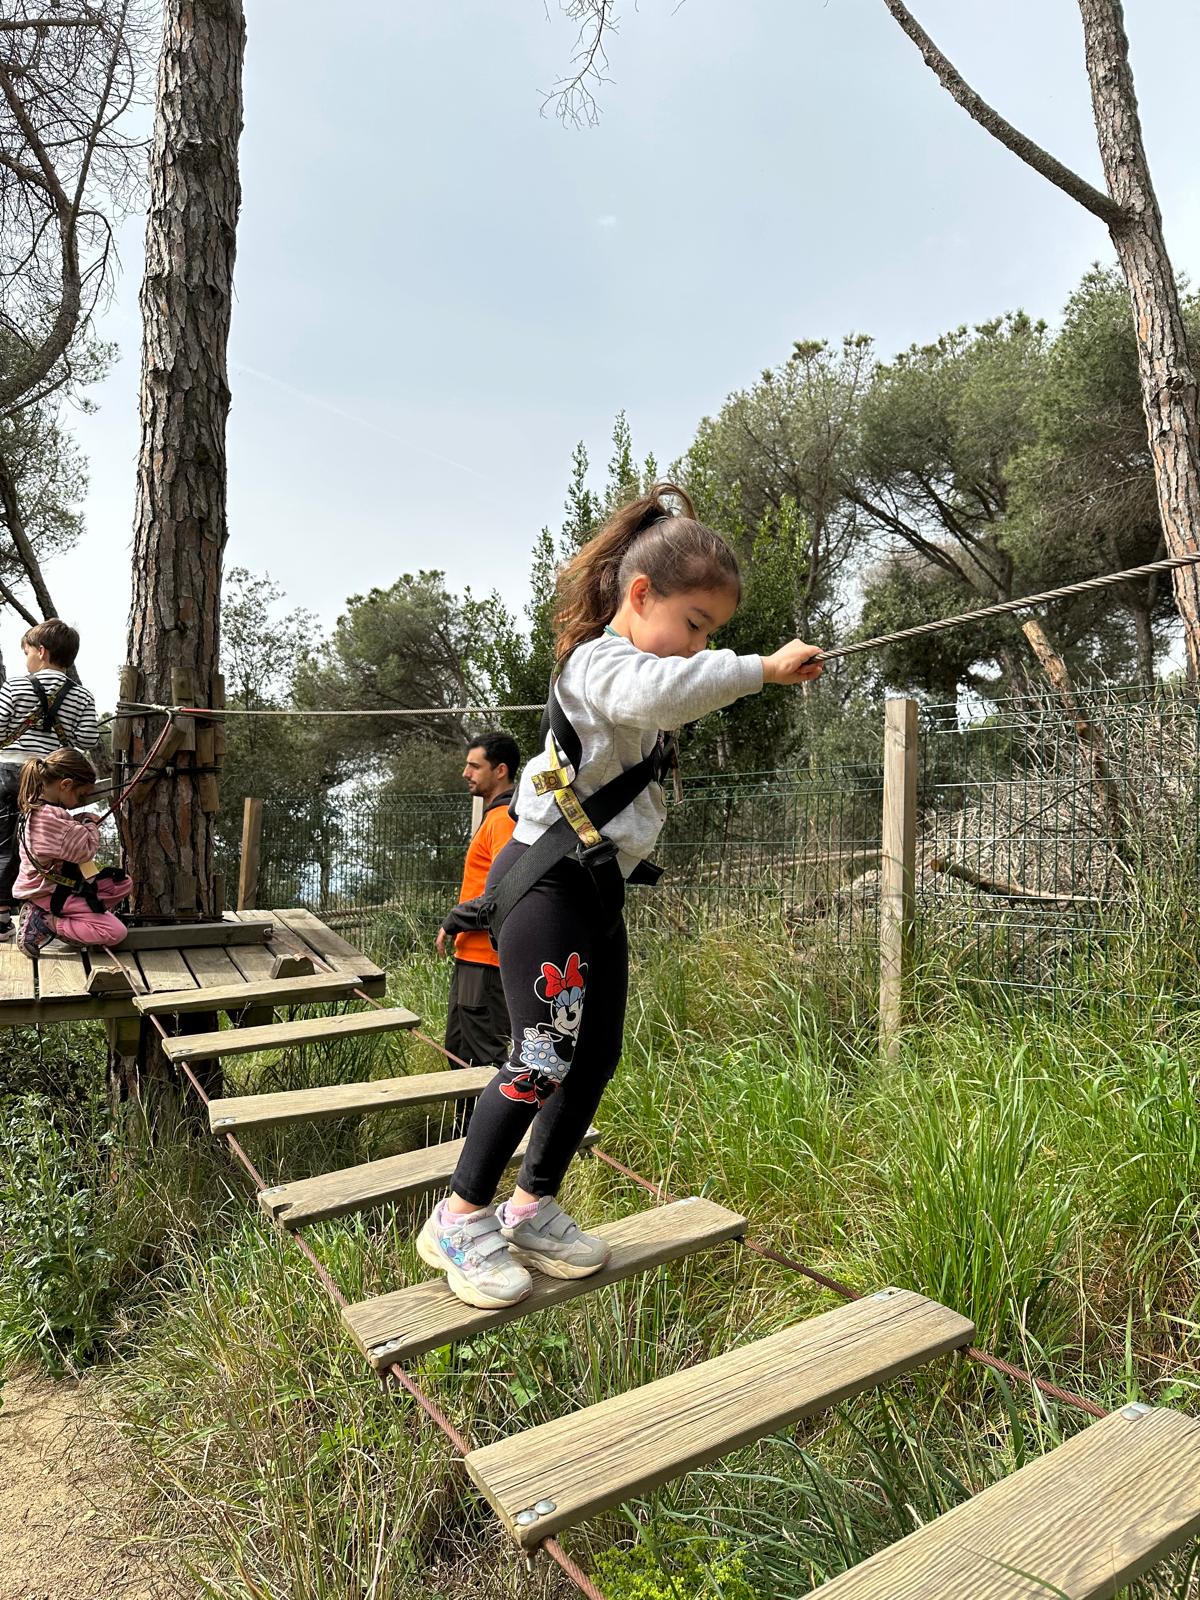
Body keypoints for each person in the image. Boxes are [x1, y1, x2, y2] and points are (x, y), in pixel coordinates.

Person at [415, 483, 823, 1309]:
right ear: (639, 595)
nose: (700, 646)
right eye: (695, 625)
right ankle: (458, 1217)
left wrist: (730, 666)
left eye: (713, 634)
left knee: (594, 1055)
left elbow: (665, 698)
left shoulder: (641, 669)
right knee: (539, 1056)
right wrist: (760, 669)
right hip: (548, 883)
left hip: (595, 889)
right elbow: (662, 692)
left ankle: (531, 1206)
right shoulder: (599, 664)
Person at [436, 732, 521, 1129]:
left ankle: (500, 1143)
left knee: (484, 1060)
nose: (465, 772)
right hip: (472, 958)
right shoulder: (495, 816)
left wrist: (456, 918)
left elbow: (507, 889)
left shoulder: (504, 820)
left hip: (486, 963)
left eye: (475, 765)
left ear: (500, 770)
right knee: (459, 1053)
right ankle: (464, 1140)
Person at [0, 620, 100, 943]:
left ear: (41, 652)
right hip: (49, 780)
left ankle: (1, 918)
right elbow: (88, 738)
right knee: (45, 846)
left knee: (4, 844)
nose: (26, 659)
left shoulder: (15, 686)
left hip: (8, 773)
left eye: (27, 652)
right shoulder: (81, 695)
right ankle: (44, 909)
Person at [14, 748, 132, 957]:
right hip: (50, 893)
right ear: (65, 784)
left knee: (122, 884)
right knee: (115, 932)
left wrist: (79, 821)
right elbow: (84, 850)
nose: (79, 802)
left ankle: (78, 918)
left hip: (60, 884)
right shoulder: (49, 818)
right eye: (80, 795)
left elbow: (64, 838)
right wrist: (89, 823)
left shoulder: (41, 809)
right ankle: (47, 922)